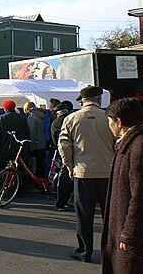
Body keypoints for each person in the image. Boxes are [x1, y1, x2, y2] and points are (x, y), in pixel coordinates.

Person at [58, 86, 115, 263]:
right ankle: (110, 253)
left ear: (82, 100)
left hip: (83, 173)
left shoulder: (71, 118)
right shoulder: (109, 117)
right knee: (110, 216)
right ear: (98, 99)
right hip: (108, 172)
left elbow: (64, 145)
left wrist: (69, 166)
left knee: (84, 214)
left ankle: (84, 251)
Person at [102, 98, 143, 274]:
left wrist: (129, 233)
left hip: (130, 233)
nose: (109, 125)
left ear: (118, 121)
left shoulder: (137, 146)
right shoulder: (130, 142)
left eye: (110, 121)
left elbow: (139, 195)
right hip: (123, 228)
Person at [51, 103, 73, 211]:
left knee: (64, 178)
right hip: (79, 152)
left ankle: (61, 202)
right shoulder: (72, 118)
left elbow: (56, 140)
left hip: (64, 151)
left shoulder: (56, 123)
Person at [24, 101, 47, 179]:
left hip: (35, 145)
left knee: (35, 166)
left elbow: (32, 133)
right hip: (42, 144)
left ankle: (37, 183)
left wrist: (30, 147)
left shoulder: (31, 117)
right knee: (41, 165)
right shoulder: (41, 115)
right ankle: (42, 182)